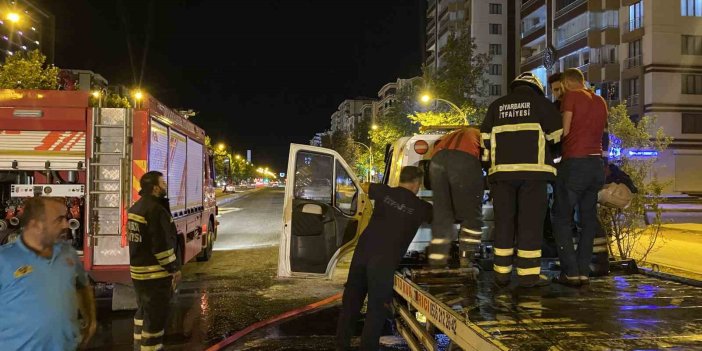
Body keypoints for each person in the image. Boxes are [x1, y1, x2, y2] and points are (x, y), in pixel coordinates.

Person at [480, 72, 563, 288]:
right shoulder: (542, 104)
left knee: (504, 222)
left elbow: (485, 140)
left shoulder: (496, 106)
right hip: (533, 174)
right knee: (530, 224)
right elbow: (557, 135)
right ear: (536, 87)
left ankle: (501, 275)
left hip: (501, 176)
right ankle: (527, 276)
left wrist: (493, 164)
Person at [336, 166, 432, 351]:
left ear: (400, 179)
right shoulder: (421, 207)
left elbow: (363, 186)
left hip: (361, 256)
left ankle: (341, 346)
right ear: (417, 184)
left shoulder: (383, 192)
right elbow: (448, 216)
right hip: (383, 264)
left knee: (350, 306)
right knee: (375, 311)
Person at [0, 196, 97, 350]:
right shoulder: (4, 260)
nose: (66, 224)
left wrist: (90, 320)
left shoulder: (68, 254)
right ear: (36, 225)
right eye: (59, 220)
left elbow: (82, 286)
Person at [551, 68, 608, 286]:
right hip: (596, 165)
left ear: (566, 83)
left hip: (574, 163)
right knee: (587, 220)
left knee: (561, 217)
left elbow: (564, 131)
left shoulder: (571, 97)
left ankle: (570, 272)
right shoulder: (600, 101)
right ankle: (584, 271)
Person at [128, 171, 181, 351]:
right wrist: (174, 269)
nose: (165, 186)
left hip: (138, 274)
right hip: (155, 276)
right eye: (163, 183)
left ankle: (138, 346)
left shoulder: (136, 208)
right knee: (155, 319)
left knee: (143, 312)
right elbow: (162, 246)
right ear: (156, 188)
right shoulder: (156, 210)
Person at [427, 126, 484, 269]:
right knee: (471, 216)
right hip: (464, 159)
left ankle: (437, 262)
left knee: (442, 215)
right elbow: (488, 159)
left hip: (436, 160)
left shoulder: (451, 134)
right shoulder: (481, 135)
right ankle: (466, 261)